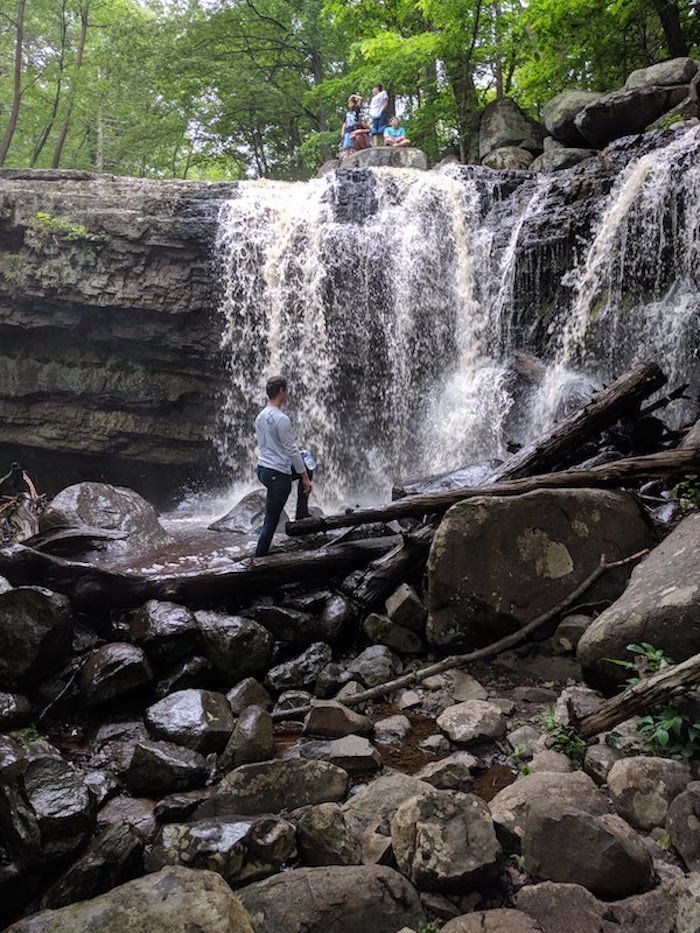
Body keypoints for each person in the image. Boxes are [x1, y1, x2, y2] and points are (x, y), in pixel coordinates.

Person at [254, 375, 313, 558]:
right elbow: (291, 450)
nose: (287, 394)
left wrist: (303, 469)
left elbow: (272, 445)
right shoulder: (281, 418)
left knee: (309, 466)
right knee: (270, 521)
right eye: (286, 390)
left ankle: (301, 514)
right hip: (277, 474)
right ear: (281, 390)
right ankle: (258, 560)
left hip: (263, 469)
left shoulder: (260, 416)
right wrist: (304, 479)